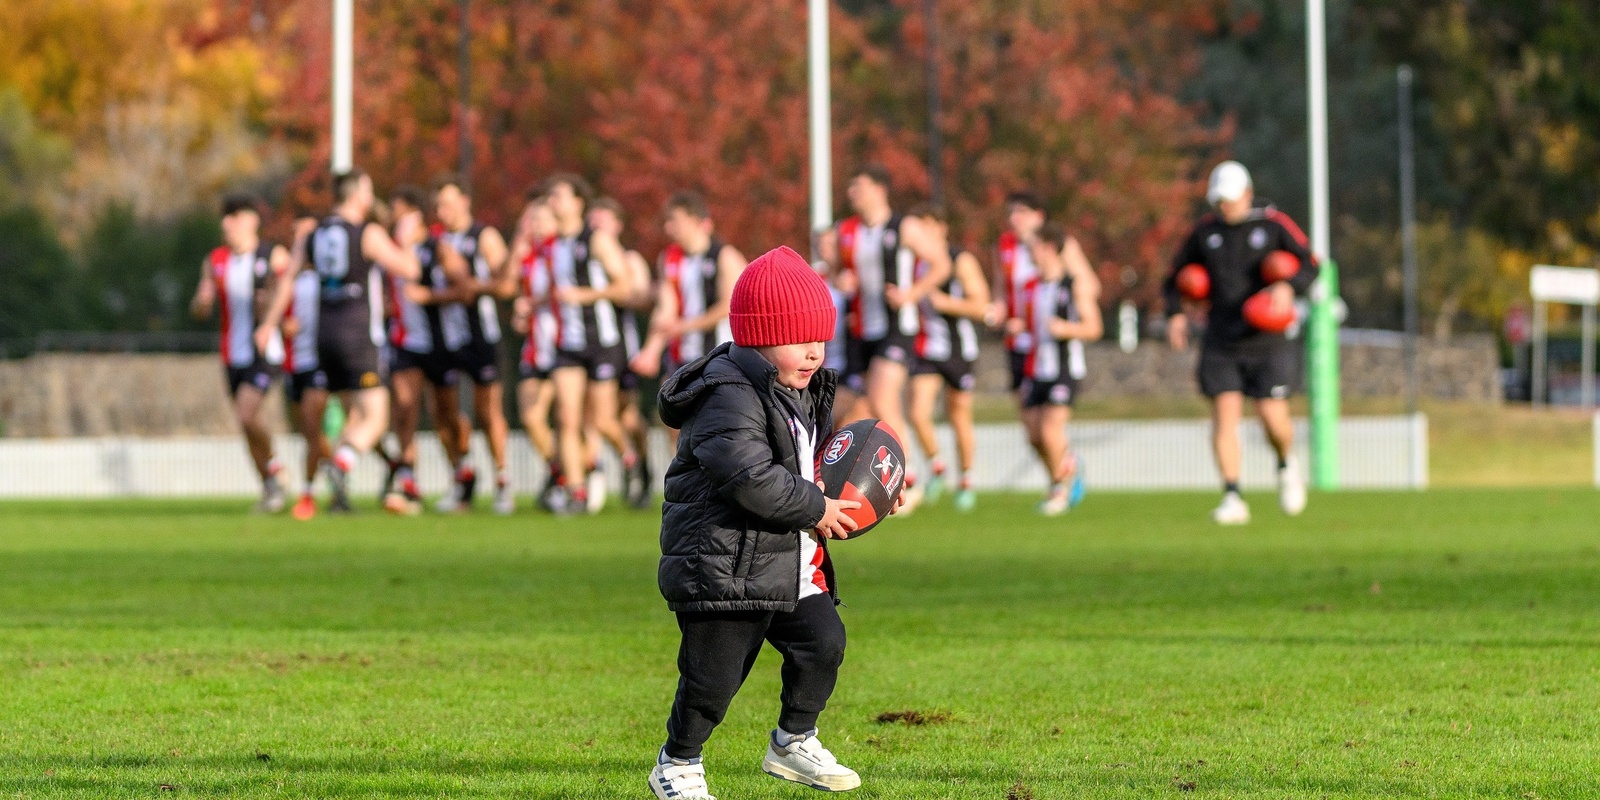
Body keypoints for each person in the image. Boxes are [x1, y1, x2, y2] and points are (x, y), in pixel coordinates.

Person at [651, 245, 880, 799]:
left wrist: (866, 493)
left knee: (823, 642)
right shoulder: (727, 394)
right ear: (756, 337)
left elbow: (809, 467)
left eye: (821, 340)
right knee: (713, 679)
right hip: (724, 565)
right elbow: (750, 479)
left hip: (782, 560)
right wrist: (817, 510)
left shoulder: (796, 389)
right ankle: (677, 764)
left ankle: (792, 741)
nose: (814, 353)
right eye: (799, 340)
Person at [259, 169, 421, 513]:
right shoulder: (368, 233)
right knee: (375, 416)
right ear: (360, 193)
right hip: (359, 335)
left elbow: (288, 280)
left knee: (345, 412)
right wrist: (405, 241)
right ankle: (342, 463)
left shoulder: (312, 233)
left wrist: (267, 325)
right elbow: (409, 270)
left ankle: (326, 487)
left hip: (323, 335)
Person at [1164, 160, 1317, 524]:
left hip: (1268, 338)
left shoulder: (1274, 224)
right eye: (1218, 201)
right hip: (1222, 338)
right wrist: (1175, 313)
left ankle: (1285, 463)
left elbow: (1310, 265)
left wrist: (1287, 286)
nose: (1224, 207)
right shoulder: (1204, 233)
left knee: (1272, 416)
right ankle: (1233, 495)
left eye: (1230, 200)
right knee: (1224, 418)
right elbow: (1174, 278)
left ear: (1247, 194)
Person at [819, 164, 950, 511]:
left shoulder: (904, 227)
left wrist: (912, 293)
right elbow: (837, 272)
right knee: (844, 407)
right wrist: (840, 279)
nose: (852, 192)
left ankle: (906, 482)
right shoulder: (846, 230)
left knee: (882, 398)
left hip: (897, 326)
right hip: (860, 331)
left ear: (880, 189)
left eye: (858, 184)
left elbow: (941, 264)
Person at [540, 172, 640, 514]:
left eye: (559, 196)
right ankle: (577, 492)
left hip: (602, 341)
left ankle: (630, 458)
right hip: (567, 343)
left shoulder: (596, 240)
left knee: (602, 421)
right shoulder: (551, 244)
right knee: (566, 418)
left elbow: (624, 287)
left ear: (578, 203)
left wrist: (588, 295)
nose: (553, 202)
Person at [190, 193, 289, 514]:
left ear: (251, 220)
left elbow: (292, 294)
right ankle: (269, 486)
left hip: (265, 350)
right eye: (225, 217)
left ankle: (273, 468)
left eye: (234, 216)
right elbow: (201, 304)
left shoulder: (272, 255)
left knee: (247, 414)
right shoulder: (215, 260)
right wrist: (202, 303)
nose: (226, 223)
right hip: (232, 354)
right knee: (245, 423)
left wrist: (274, 315)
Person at [632, 191, 747, 448]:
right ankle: (690, 484)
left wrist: (685, 326)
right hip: (682, 354)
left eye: (675, 220)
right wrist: (651, 350)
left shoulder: (725, 256)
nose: (668, 227)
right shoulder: (669, 258)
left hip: (721, 355)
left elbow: (729, 305)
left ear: (697, 221)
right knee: (673, 422)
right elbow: (666, 306)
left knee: (721, 423)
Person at [381, 187, 471, 515]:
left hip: (440, 345)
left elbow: (465, 290)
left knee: (444, 416)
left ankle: (462, 471)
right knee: (404, 408)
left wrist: (430, 297)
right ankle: (408, 483)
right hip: (406, 344)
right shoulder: (389, 252)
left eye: (401, 214)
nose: (396, 221)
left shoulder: (439, 248)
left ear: (417, 217)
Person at [434, 175, 516, 514]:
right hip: (444, 339)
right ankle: (462, 478)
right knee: (445, 415)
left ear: (466, 201)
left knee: (487, 412)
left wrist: (471, 288)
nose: (444, 211)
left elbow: (507, 285)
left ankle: (502, 481)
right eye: (439, 205)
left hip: (481, 337)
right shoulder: (435, 242)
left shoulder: (484, 236)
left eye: (450, 204)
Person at [903, 205, 990, 512]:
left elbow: (982, 305)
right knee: (916, 412)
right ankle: (936, 464)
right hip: (927, 349)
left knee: (959, 416)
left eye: (927, 227)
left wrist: (947, 303)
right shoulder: (913, 263)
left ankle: (966, 480)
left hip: (958, 350)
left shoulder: (959, 260)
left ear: (941, 228)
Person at [1011, 223, 1102, 515]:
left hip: (1065, 369)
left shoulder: (1074, 285)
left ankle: (1060, 490)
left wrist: (1067, 328)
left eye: (1033, 246)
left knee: (1051, 431)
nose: (1028, 252)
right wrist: (1018, 326)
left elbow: (1094, 328)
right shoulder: (1030, 287)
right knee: (1035, 436)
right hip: (1036, 369)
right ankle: (1063, 471)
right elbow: (1031, 325)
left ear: (1049, 247)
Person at [588, 196, 656, 509]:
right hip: (592, 347)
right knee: (599, 417)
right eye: (593, 221)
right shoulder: (582, 259)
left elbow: (643, 295)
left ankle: (641, 464)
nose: (596, 227)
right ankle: (624, 466)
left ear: (617, 225)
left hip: (621, 347)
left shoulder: (628, 259)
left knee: (626, 416)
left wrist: (618, 291)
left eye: (603, 221)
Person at [507, 192, 565, 511]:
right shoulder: (529, 257)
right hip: (536, 348)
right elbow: (510, 286)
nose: (534, 225)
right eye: (530, 220)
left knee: (567, 418)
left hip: (564, 346)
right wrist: (521, 311)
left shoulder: (564, 251)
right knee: (531, 418)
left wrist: (538, 302)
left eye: (540, 219)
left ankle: (578, 476)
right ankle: (560, 470)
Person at [281, 216, 334, 520]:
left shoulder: (327, 280)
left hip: (320, 362)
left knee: (314, 429)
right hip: (294, 364)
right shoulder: (292, 281)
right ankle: (339, 480)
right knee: (308, 432)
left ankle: (308, 494)